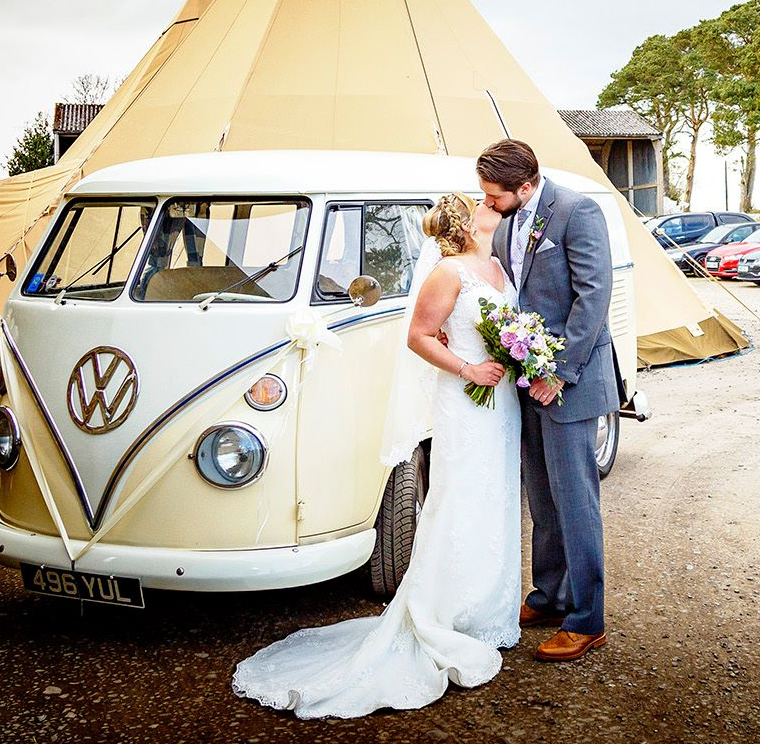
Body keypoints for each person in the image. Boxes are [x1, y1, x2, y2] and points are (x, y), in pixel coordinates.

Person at [231, 192, 521, 719]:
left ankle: (489, 610)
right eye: (481, 203)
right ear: (466, 222)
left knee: (497, 495)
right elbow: (418, 336)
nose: (491, 205)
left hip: (502, 402)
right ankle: (448, 611)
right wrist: (468, 370)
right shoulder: (449, 273)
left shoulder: (497, 265)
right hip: (466, 396)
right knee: (459, 496)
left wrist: (518, 354)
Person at [480, 139, 619, 662]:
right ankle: (550, 595)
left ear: (526, 186)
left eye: (494, 195)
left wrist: (559, 373)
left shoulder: (578, 212)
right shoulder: (510, 218)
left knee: (576, 502)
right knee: (541, 497)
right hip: (524, 379)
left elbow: (593, 297)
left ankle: (588, 618)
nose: (487, 203)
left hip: (570, 385)